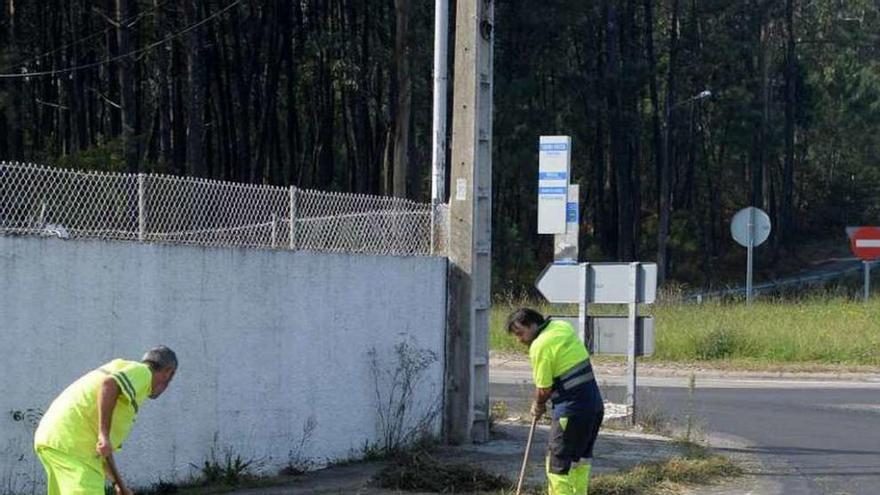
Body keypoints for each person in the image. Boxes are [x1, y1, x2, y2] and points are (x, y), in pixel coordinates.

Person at [34, 346, 178, 495]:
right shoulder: (144, 372)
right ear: (168, 372)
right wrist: (104, 435)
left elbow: (104, 450)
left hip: (56, 439)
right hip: (73, 445)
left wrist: (119, 484)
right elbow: (109, 384)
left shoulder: (125, 378)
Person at [508, 308, 604, 495]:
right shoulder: (561, 326)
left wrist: (538, 405)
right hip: (594, 407)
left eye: (520, 333)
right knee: (579, 461)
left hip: (571, 411)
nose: (519, 340)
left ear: (533, 325)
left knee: (558, 465)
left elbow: (544, 389)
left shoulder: (540, 346)